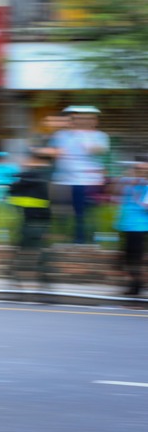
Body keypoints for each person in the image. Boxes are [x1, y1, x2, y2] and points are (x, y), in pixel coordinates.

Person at [49, 105, 110, 244]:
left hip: (88, 181)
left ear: (94, 121)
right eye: (78, 118)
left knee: (84, 213)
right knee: (63, 212)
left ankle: (84, 240)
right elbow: (55, 152)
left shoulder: (100, 136)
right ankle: (64, 237)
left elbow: (96, 150)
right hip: (64, 180)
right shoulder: (61, 135)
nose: (82, 121)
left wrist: (84, 135)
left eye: (87, 119)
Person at [7, 149, 53, 287]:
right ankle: (44, 281)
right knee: (41, 253)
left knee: (23, 252)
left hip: (29, 222)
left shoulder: (26, 179)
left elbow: (13, 196)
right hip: (42, 222)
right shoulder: (48, 178)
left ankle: (15, 278)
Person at [113, 160, 148, 297]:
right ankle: (134, 284)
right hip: (124, 225)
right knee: (126, 257)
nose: (139, 173)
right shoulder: (127, 181)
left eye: (143, 171)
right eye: (137, 170)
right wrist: (122, 181)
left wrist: (139, 193)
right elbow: (114, 191)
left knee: (134, 258)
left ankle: (136, 287)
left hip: (139, 226)